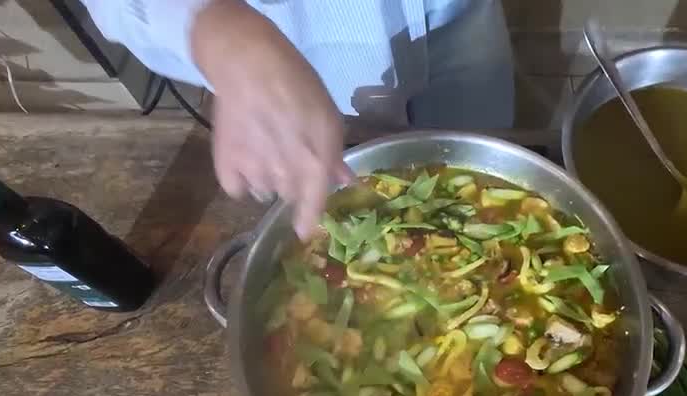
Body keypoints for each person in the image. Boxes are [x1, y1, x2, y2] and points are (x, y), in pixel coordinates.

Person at [78, 0, 514, 238]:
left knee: (489, 167)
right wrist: (216, 27)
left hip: (452, 12)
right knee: (334, 201)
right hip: (278, 41)